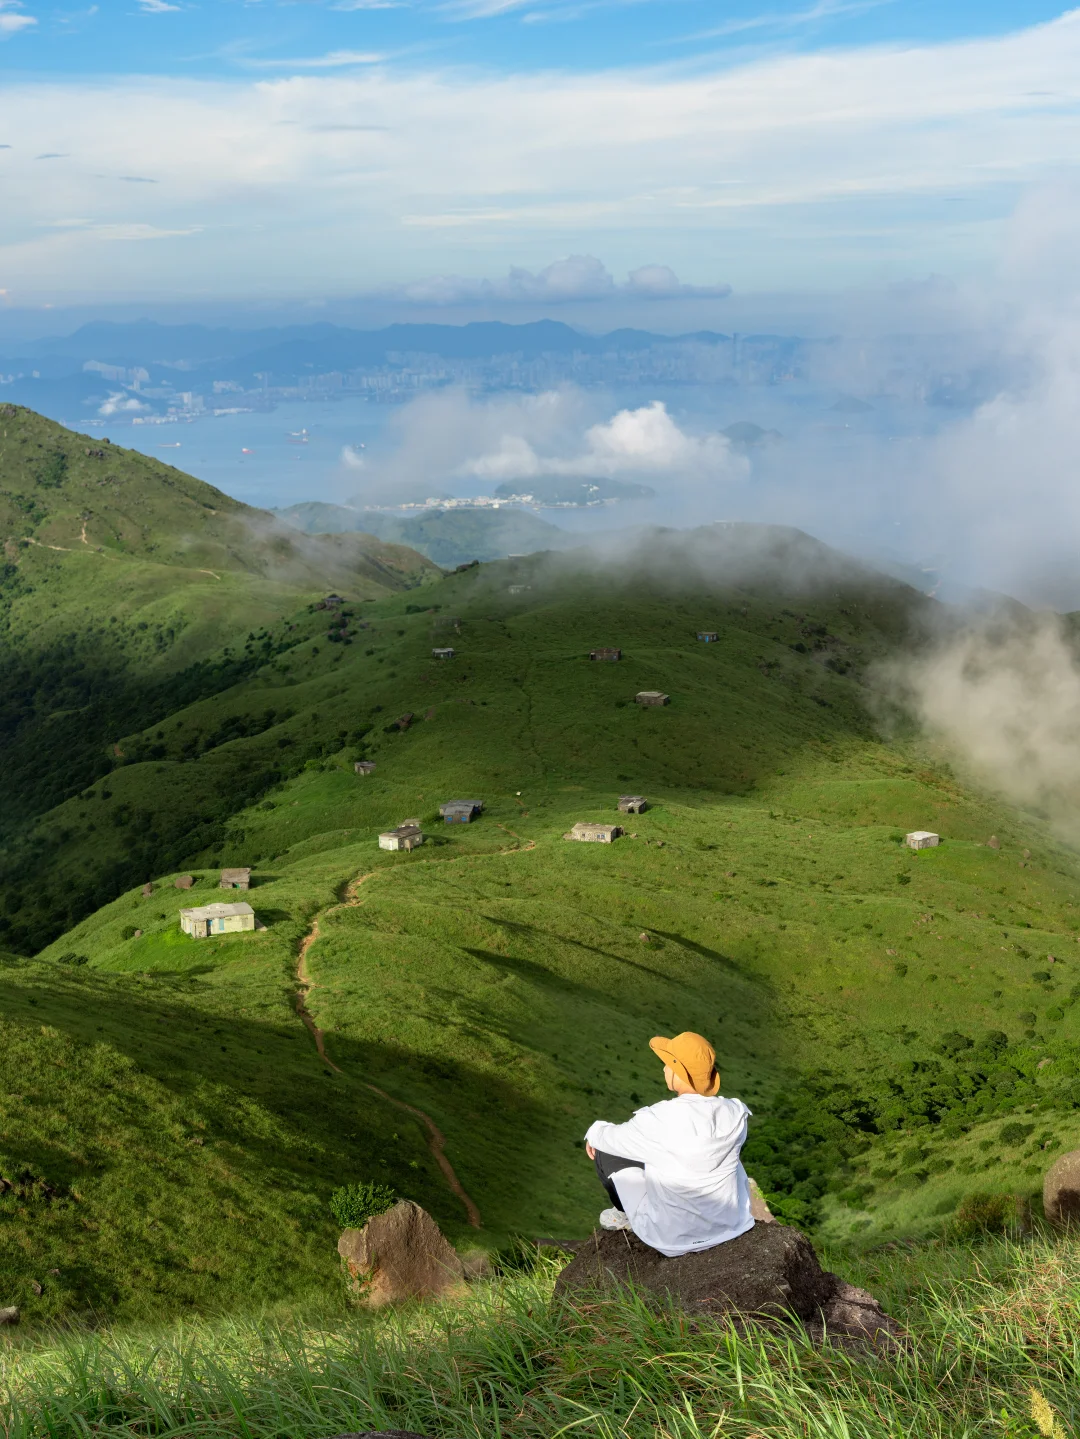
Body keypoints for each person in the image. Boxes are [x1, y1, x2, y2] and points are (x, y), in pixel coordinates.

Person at [583, 1031, 754, 1257]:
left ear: (677, 1071)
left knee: (607, 1151)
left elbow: (609, 1138)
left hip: (672, 1238)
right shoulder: (735, 1112)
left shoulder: (658, 1118)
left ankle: (624, 1215)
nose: (664, 1069)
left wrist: (594, 1131)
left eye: (667, 1064)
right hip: (730, 1225)